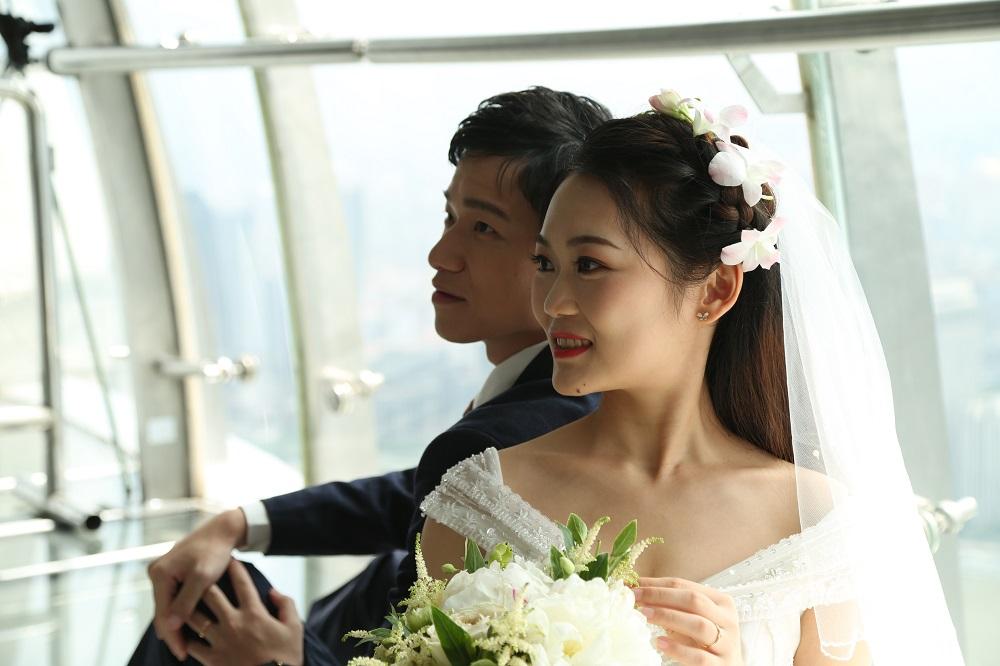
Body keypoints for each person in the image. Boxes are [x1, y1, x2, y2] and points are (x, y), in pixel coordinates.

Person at [419, 93, 966, 664]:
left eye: (590, 265)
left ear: (716, 290)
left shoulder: (814, 521)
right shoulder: (479, 504)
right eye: (544, 264)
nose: (553, 303)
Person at [129, 87, 610, 666]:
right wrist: (243, 522)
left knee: (213, 597)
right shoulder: (567, 397)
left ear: (554, 253)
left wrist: (281, 660)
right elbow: (425, 492)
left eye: (483, 228)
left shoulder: (511, 431)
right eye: (450, 217)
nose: (441, 254)